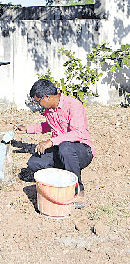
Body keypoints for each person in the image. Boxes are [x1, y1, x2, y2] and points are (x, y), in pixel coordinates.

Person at [15, 79, 95, 208]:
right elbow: (49, 126)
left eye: (38, 101)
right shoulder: (49, 110)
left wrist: (51, 141)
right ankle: (64, 174)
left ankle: (78, 190)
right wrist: (27, 129)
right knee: (34, 163)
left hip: (82, 151)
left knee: (65, 147)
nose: (39, 104)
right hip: (62, 150)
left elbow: (77, 133)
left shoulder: (73, 105)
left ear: (47, 97)